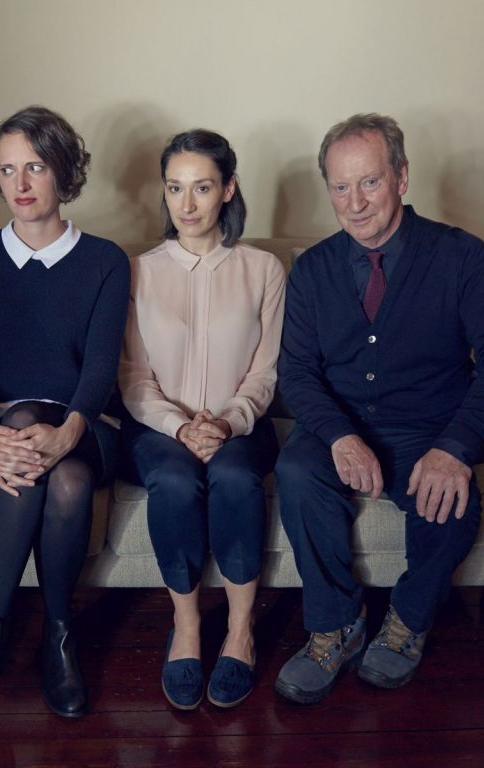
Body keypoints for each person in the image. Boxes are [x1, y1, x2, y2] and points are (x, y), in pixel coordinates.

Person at [274, 114, 484, 704]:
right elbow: (297, 373)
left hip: (430, 427)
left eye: (369, 182)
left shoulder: (462, 256)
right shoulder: (311, 270)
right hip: (339, 424)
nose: (355, 203)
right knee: (296, 471)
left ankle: (408, 620)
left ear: (402, 178)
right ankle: (336, 626)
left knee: (449, 500)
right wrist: (339, 436)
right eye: (341, 187)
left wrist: (456, 447)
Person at [0, 106, 130, 723]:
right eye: (7, 169)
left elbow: (100, 369)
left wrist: (67, 433)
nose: (19, 183)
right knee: (62, 480)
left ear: (63, 173)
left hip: (85, 426)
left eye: (35, 167)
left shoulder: (106, 261)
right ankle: (51, 639)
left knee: (64, 457)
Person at [118, 130, 285, 710]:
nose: (186, 205)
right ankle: (186, 626)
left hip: (241, 426)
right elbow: (133, 377)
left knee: (235, 477)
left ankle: (240, 631)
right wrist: (179, 427)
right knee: (173, 480)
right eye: (174, 188)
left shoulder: (264, 269)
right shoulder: (137, 272)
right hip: (157, 429)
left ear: (228, 189)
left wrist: (229, 422)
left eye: (202, 188)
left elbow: (266, 372)